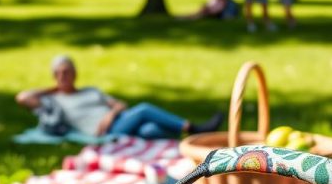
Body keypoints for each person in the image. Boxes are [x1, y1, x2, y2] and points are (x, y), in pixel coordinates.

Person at [16, 56, 223, 140]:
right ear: (54, 77)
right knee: (143, 109)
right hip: (105, 131)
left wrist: (111, 113)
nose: (64, 77)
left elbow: (121, 104)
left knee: (149, 130)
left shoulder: (91, 91)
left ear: (75, 74)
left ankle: (196, 139)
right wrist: (54, 88)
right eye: (59, 73)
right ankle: (193, 128)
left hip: (118, 120)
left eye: (67, 72)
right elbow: (22, 97)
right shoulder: (55, 101)